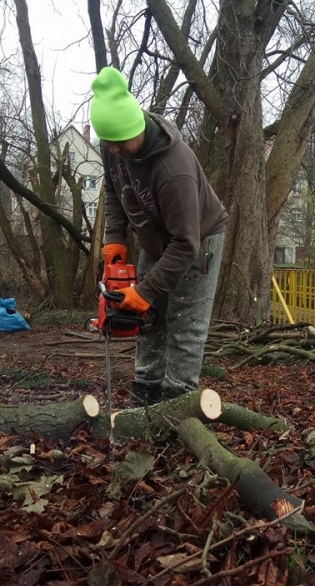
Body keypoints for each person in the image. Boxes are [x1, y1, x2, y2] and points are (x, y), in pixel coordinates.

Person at [90, 66, 228, 405]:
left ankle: (178, 401)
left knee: (185, 325)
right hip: (155, 236)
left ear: (136, 127)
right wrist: (115, 237)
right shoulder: (114, 148)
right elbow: (113, 187)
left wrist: (146, 290)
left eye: (120, 143)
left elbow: (186, 243)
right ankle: (146, 390)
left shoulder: (172, 168)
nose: (116, 150)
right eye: (109, 144)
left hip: (198, 241)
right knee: (148, 318)